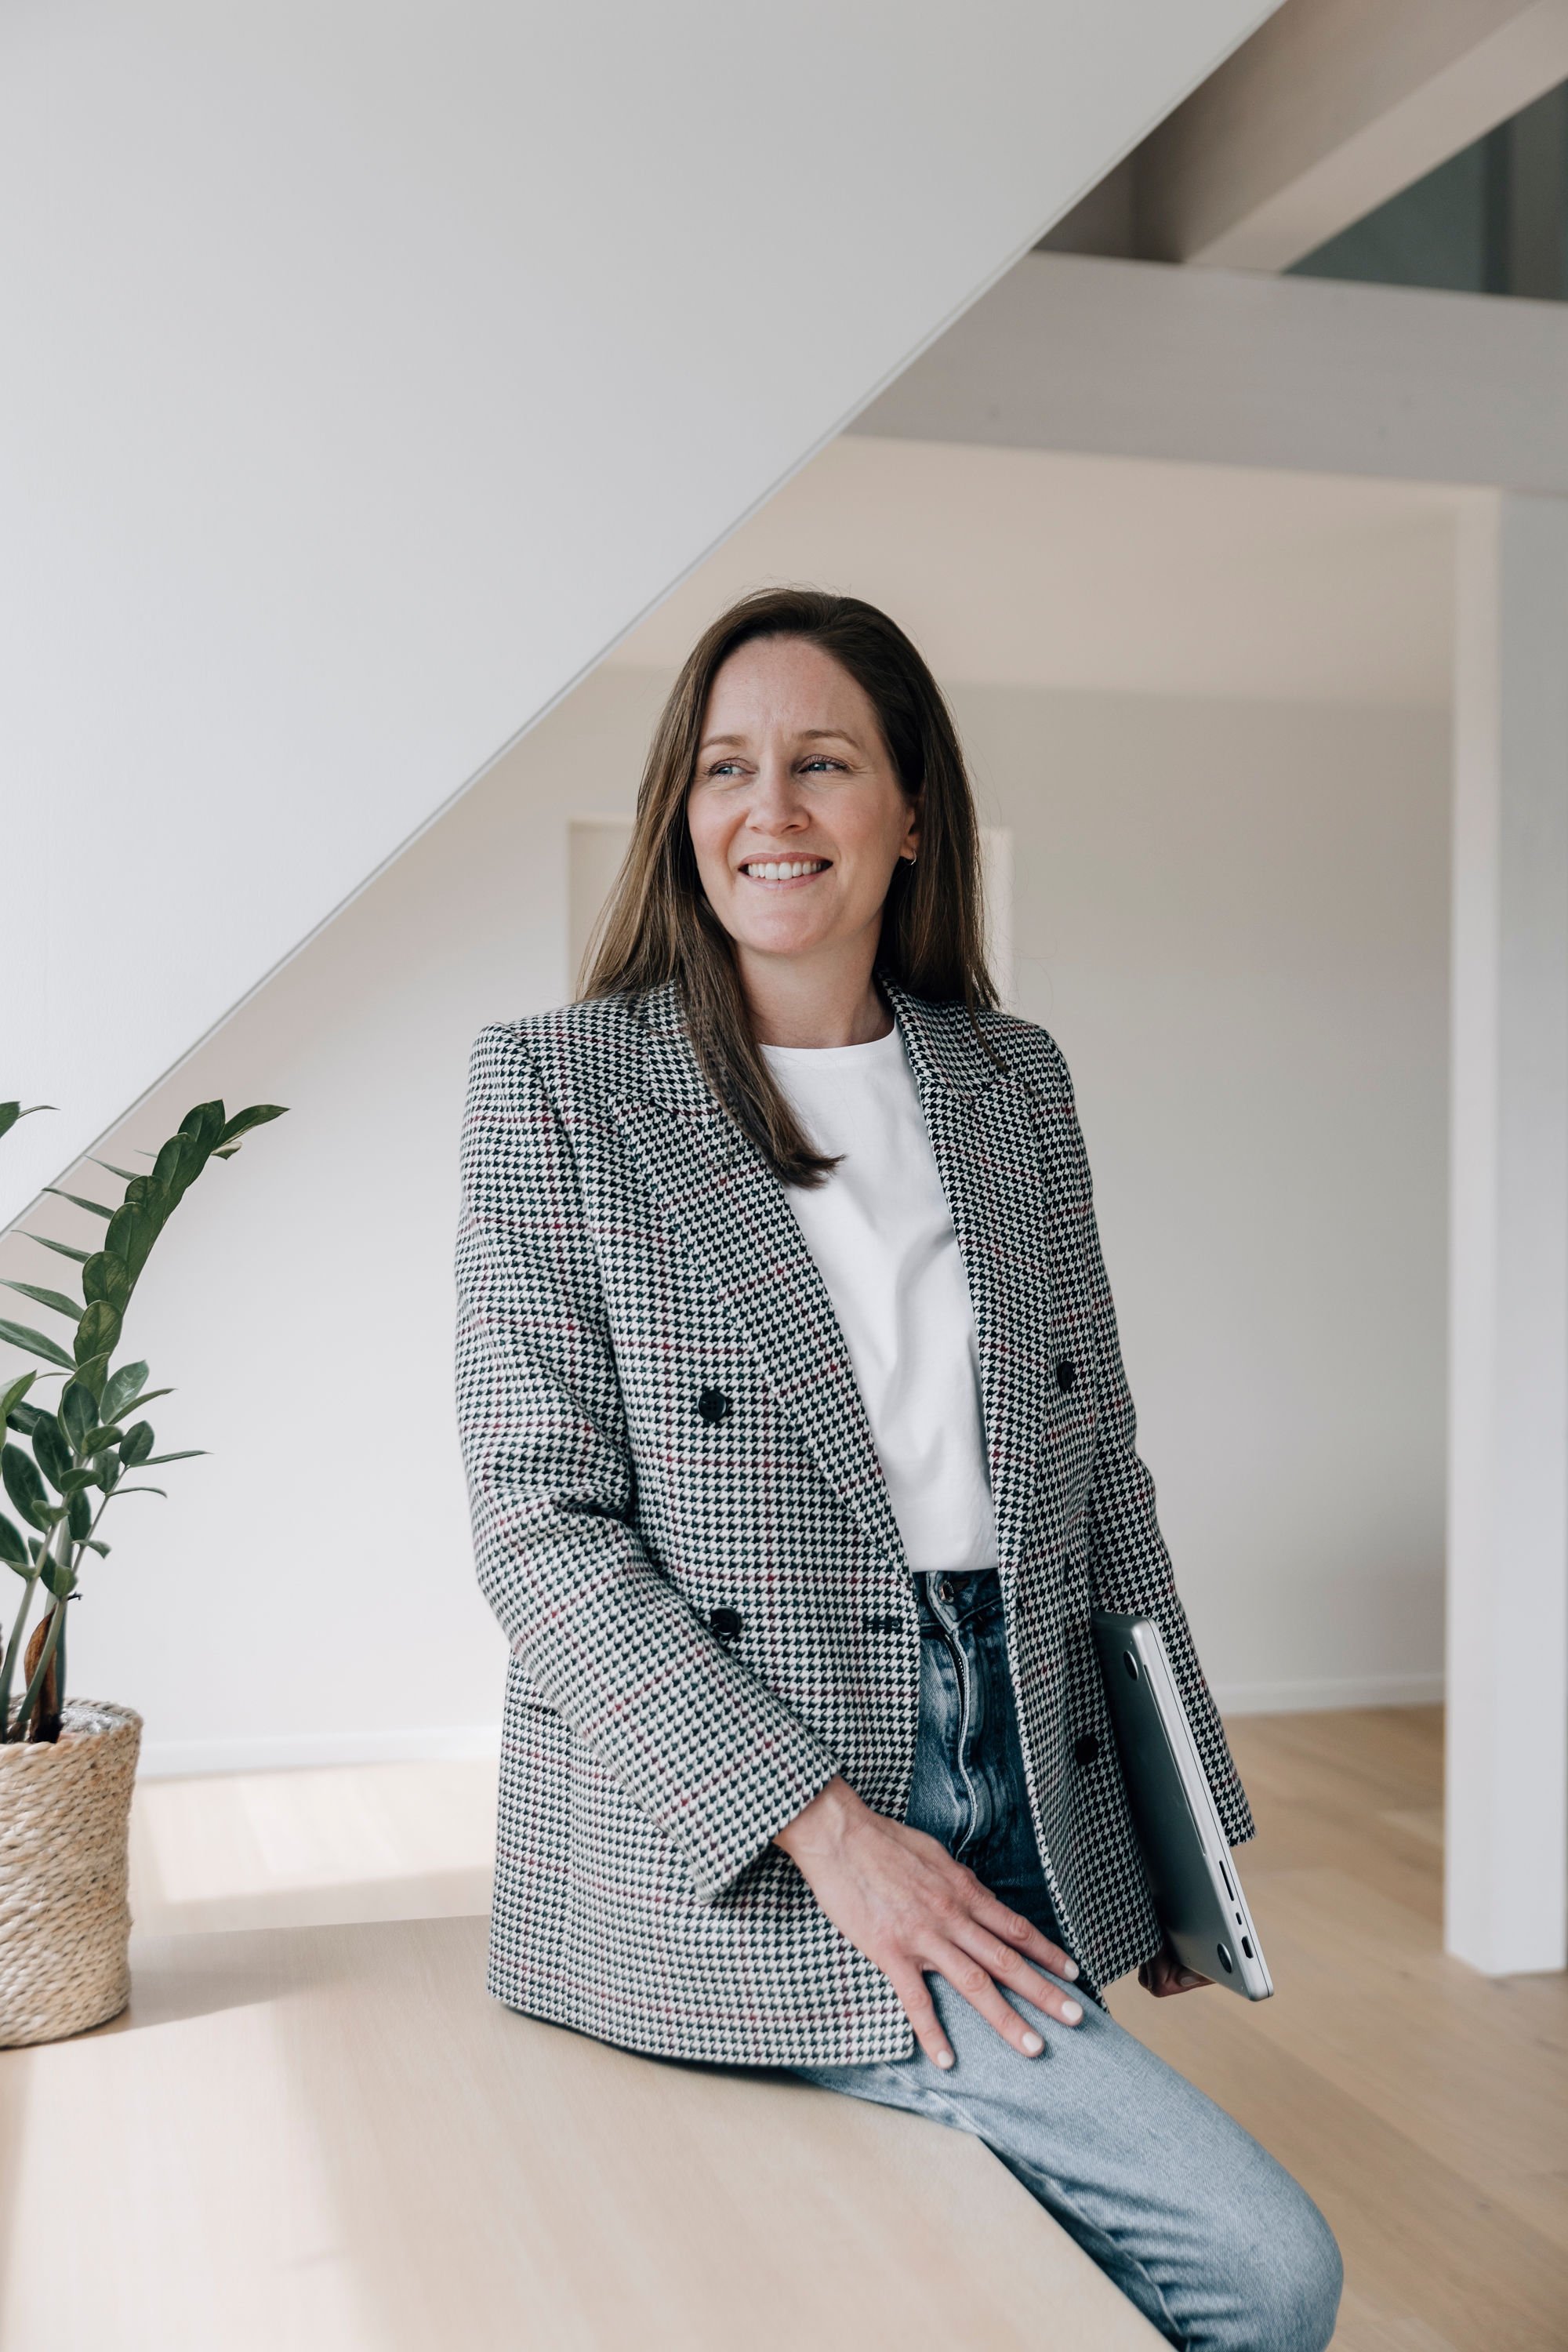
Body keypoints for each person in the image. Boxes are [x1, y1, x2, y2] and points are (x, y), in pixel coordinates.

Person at [455, 588, 1343, 2350]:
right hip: (757, 1826)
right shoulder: (558, 1088)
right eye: (724, 767)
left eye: (821, 762)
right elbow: (539, 1532)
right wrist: (835, 1839)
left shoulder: (1012, 1083)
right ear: (677, 813)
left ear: (910, 810)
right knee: (1269, 2273)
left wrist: (1180, 1848)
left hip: (1020, 1759)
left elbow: (1101, 1483)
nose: (766, 810)